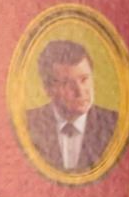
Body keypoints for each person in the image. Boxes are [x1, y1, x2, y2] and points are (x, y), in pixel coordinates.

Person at [24, 39, 118, 173]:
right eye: (67, 83)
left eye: (84, 79)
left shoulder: (116, 125)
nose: (80, 92)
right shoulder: (26, 125)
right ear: (47, 89)